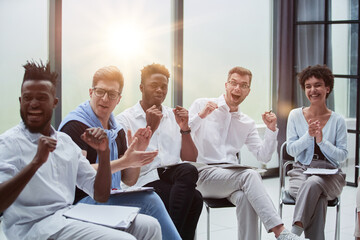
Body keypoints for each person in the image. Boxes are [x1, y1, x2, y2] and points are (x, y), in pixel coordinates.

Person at [0, 61, 161, 240]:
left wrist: (104, 152)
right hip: (32, 227)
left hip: (67, 216)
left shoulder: (64, 143)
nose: (34, 104)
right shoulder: (9, 143)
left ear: (54, 102)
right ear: (21, 101)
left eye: (42, 98)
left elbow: (100, 194)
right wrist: (35, 163)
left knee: (149, 227)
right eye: (28, 98)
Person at [59, 66, 181, 240]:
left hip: (107, 197)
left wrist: (137, 151)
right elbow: (76, 173)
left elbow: (129, 180)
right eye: (100, 91)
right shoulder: (75, 126)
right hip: (77, 203)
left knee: (150, 222)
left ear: (118, 99)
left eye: (112, 94)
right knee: (150, 200)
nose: (105, 98)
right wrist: (124, 161)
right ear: (90, 92)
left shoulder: (117, 131)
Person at [188, 66, 305, 240]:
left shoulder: (247, 123)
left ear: (248, 91)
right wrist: (202, 115)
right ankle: (281, 232)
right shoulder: (202, 104)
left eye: (243, 85)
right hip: (202, 174)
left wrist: (271, 130)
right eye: (234, 83)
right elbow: (183, 133)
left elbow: (263, 156)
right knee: (249, 175)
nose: (237, 88)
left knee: (246, 197)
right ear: (226, 85)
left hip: (230, 179)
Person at [116, 63, 203, 240]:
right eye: (154, 85)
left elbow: (190, 158)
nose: (160, 90)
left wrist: (185, 128)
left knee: (189, 169)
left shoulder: (173, 115)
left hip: (172, 175)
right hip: (143, 179)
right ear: (141, 87)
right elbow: (127, 168)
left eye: (164, 87)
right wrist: (150, 126)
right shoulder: (125, 120)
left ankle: (170, 236)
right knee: (195, 198)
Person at [286, 65, 347, 240]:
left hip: (332, 176)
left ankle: (294, 232)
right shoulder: (295, 115)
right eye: (308, 86)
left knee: (315, 184)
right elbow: (291, 150)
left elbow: (342, 156)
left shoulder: (338, 121)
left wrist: (321, 140)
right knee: (317, 196)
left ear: (327, 88)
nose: (313, 90)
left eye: (318, 85)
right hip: (301, 172)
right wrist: (309, 136)